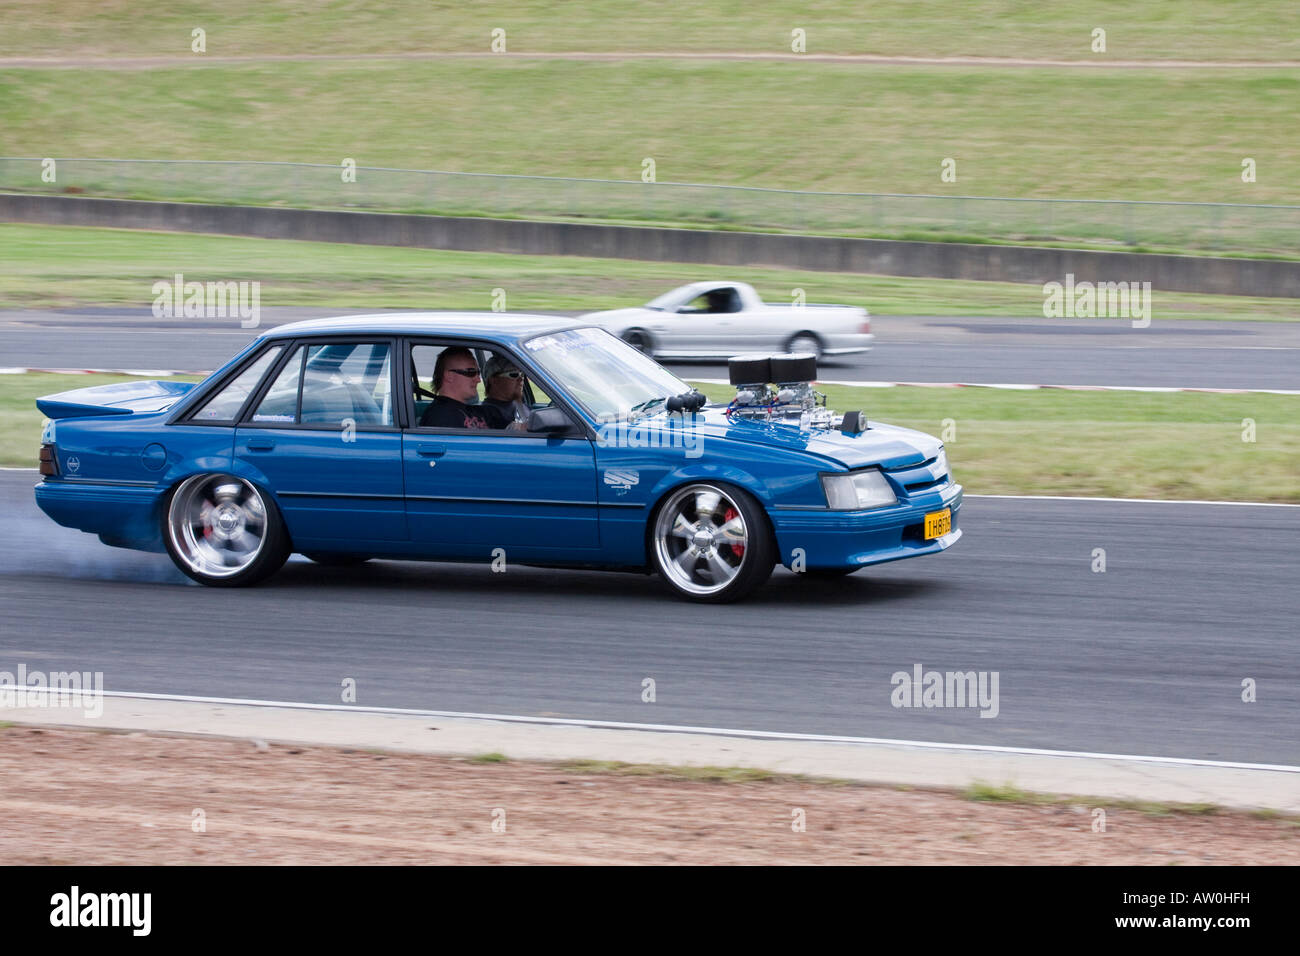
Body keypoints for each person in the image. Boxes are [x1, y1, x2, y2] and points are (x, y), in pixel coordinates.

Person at [419, 347, 509, 429]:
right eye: (471, 372)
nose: (478, 380)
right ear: (449, 376)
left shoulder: (475, 410)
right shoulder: (441, 418)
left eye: (478, 373)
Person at [480, 354, 531, 424]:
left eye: (522, 374)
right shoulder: (488, 414)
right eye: (514, 374)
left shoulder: (518, 403)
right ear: (494, 380)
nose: (521, 379)